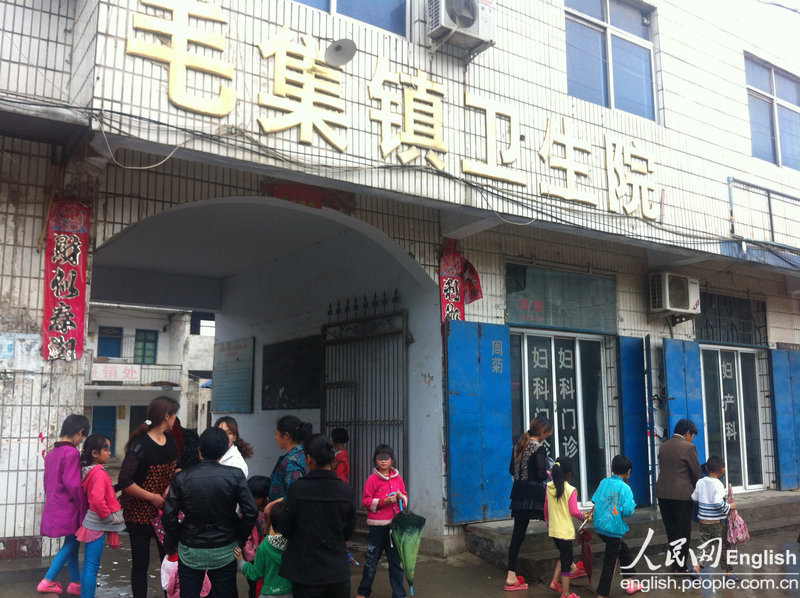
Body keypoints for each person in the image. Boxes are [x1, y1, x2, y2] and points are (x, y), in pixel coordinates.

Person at [162, 427, 259, 598]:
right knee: (225, 593)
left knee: (189, 593)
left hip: (190, 548)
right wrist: (240, 539)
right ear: (223, 451)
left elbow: (169, 517)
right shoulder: (235, 475)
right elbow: (251, 512)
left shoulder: (181, 478)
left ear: (199, 449)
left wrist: (179, 539)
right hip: (225, 546)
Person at [276, 434, 355, 598]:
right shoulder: (346, 491)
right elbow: (348, 531)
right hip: (337, 571)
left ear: (309, 459)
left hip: (306, 572)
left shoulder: (297, 489)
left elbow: (285, 527)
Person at [118, 396, 180, 598]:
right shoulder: (140, 444)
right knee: (140, 564)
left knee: (169, 561)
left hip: (164, 513)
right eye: (174, 415)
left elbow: (176, 470)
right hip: (138, 515)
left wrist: (168, 488)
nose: (175, 420)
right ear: (166, 416)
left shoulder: (170, 442)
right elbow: (125, 481)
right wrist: (152, 497)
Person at [38, 414, 90, 596]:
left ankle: (75, 583)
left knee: (73, 543)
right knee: (71, 544)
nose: (81, 440)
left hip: (54, 505)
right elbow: (74, 484)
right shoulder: (71, 453)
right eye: (83, 436)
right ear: (80, 432)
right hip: (69, 507)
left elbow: (47, 483)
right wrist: (84, 505)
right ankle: (47, 580)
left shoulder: (52, 454)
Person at [504, 416, 553, 591]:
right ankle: (568, 567)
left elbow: (511, 469)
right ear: (542, 432)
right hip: (534, 495)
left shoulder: (519, 445)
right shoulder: (538, 449)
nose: (547, 436)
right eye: (547, 433)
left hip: (518, 494)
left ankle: (511, 576)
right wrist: (548, 472)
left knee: (518, 534)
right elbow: (541, 476)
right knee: (555, 526)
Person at [76, 434, 126, 598]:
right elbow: (97, 499)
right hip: (97, 523)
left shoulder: (90, 471)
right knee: (92, 566)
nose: (109, 453)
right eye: (105, 449)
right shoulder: (98, 473)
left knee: (89, 566)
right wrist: (106, 517)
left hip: (92, 522)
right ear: (95, 454)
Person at [356, 444, 408, 598]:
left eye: (386, 458)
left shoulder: (397, 478)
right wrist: (383, 502)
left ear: (392, 460)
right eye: (380, 458)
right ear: (375, 461)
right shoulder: (372, 480)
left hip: (394, 527)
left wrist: (401, 498)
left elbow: (405, 495)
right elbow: (365, 501)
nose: (383, 461)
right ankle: (363, 592)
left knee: (396, 563)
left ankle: (399, 594)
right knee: (371, 561)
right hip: (377, 527)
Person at [655, 419, 701, 573]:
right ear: (687, 433)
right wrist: (699, 491)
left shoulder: (663, 446)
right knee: (682, 531)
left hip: (662, 494)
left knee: (671, 530)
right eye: (692, 435)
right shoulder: (688, 447)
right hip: (681, 495)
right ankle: (680, 567)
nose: (692, 438)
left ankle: (675, 563)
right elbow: (695, 472)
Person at [591, 455, 640, 598]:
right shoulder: (625, 488)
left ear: (611, 468)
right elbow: (627, 512)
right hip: (613, 529)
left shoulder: (603, 482)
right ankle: (602, 593)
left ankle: (629, 581)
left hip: (600, 526)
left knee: (623, 550)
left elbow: (595, 500)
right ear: (628, 471)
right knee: (610, 562)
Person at [544, 457, 591, 598]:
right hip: (564, 532)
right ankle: (565, 593)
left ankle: (554, 582)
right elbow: (574, 511)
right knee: (566, 563)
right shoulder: (570, 490)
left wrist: (547, 524)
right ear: (569, 473)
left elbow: (545, 509)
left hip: (553, 530)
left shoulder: (549, 487)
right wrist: (585, 517)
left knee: (563, 556)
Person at [690, 455, 739, 581]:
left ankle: (696, 568)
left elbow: (694, 497)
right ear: (722, 470)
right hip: (718, 523)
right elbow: (718, 503)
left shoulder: (700, 482)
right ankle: (729, 573)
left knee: (704, 545)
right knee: (726, 546)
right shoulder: (718, 484)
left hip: (703, 522)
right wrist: (729, 506)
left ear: (706, 467)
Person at [235, 499, 292, 598]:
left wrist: (240, 561)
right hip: (290, 591)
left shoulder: (264, 546)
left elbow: (255, 573)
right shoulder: (295, 544)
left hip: (268, 593)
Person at [269, 416, 313, 501]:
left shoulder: (291, 462)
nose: (275, 438)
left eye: (276, 434)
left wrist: (272, 505)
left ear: (286, 435)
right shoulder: (305, 453)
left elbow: (296, 494)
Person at [244, 476, 272, 598]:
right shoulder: (246, 513)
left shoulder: (272, 511)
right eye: (252, 497)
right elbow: (246, 538)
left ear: (265, 497)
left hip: (268, 557)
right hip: (254, 558)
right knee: (254, 586)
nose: (254, 500)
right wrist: (252, 558)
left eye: (257, 498)